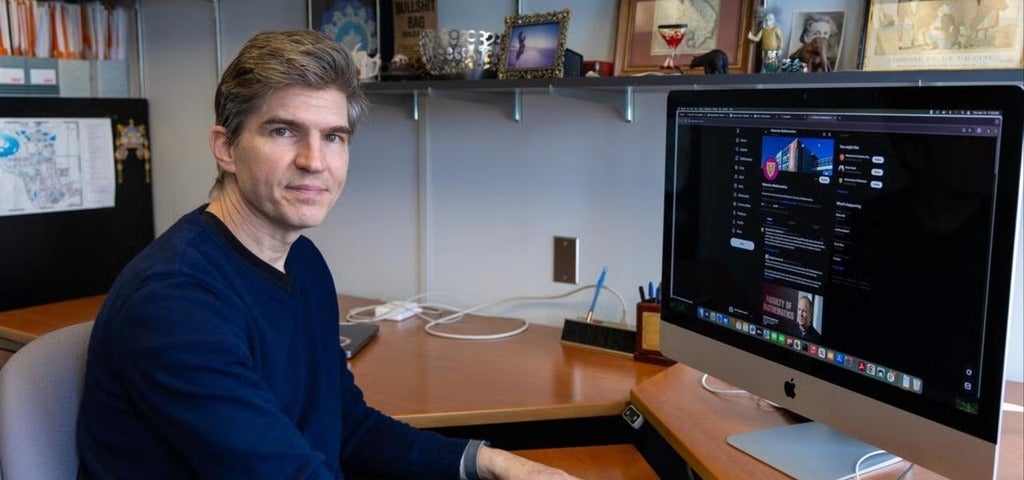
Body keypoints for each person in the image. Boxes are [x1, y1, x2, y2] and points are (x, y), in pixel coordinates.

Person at [76, 29, 581, 480]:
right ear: (226, 147)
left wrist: (490, 462)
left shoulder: (302, 261)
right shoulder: (175, 302)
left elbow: (348, 429)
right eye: (283, 131)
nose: (314, 161)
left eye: (333, 137)